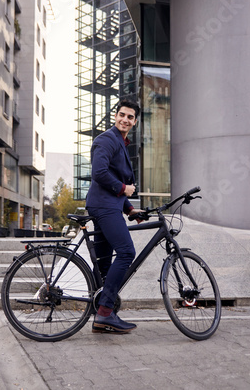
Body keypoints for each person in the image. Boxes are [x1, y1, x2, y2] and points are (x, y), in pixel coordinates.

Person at [86, 98, 141, 334]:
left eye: (130, 117)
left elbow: (109, 175)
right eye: (122, 115)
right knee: (127, 252)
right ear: (115, 116)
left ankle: (102, 316)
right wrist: (123, 189)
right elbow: (99, 173)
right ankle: (105, 312)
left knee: (105, 267)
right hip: (104, 207)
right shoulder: (107, 139)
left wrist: (129, 209)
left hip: (106, 205)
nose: (125, 120)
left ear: (135, 122)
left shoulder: (120, 142)